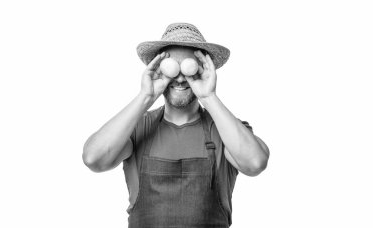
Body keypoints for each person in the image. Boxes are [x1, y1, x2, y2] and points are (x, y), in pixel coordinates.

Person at [82, 22, 270, 228]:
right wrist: (146, 96)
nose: (180, 78)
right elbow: (94, 158)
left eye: (189, 68)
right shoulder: (136, 127)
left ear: (203, 70)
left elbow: (255, 163)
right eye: (172, 68)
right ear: (158, 69)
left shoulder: (225, 130)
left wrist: (208, 96)